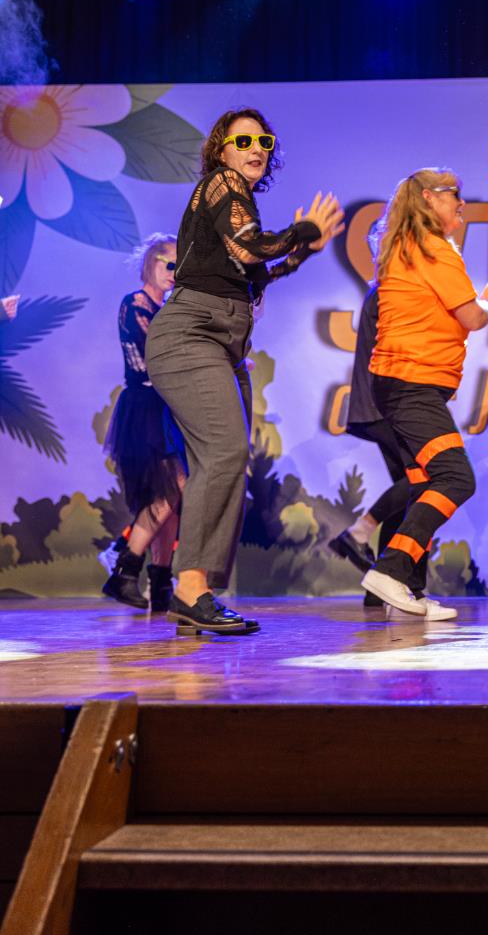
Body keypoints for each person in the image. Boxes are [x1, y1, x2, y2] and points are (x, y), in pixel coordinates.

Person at [147, 108, 343, 635]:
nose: (257, 148)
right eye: (244, 141)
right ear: (221, 150)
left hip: (222, 343)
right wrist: (303, 230)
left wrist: (302, 251)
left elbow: (256, 272)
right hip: (191, 335)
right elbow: (248, 246)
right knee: (225, 452)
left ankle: (196, 589)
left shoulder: (238, 202)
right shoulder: (223, 183)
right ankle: (191, 588)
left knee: (224, 459)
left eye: (264, 142)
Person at [360, 168, 488, 620]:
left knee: (423, 483)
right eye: (453, 193)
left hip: (400, 383)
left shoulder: (404, 246)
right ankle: (391, 571)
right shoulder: (434, 248)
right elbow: (473, 317)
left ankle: (408, 589)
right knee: (456, 479)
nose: (461, 202)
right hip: (411, 384)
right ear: (426, 199)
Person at [102, 234, 187, 613]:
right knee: (172, 488)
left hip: (165, 406)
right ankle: (126, 568)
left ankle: (160, 581)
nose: (174, 272)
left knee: (171, 497)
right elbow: (160, 356)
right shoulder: (135, 304)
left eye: (179, 266)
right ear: (151, 263)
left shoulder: (164, 309)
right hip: (145, 407)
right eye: (169, 264)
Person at [328, 283, 411, 607]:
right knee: (428, 477)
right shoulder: (390, 290)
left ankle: (381, 584)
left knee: (408, 488)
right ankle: (358, 534)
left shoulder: (384, 290)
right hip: (386, 405)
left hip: (382, 405)